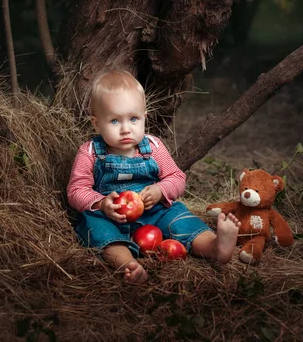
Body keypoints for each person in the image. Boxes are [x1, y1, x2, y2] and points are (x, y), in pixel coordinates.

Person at [67, 69, 241, 284]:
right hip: (110, 216)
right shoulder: (91, 152)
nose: (125, 129)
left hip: (155, 211)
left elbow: (176, 177)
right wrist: (102, 204)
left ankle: (214, 246)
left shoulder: (153, 147)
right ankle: (128, 264)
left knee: (180, 220)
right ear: (96, 123)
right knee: (98, 229)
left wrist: (161, 191)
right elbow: (76, 190)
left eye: (133, 119)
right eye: (114, 121)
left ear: (144, 118)